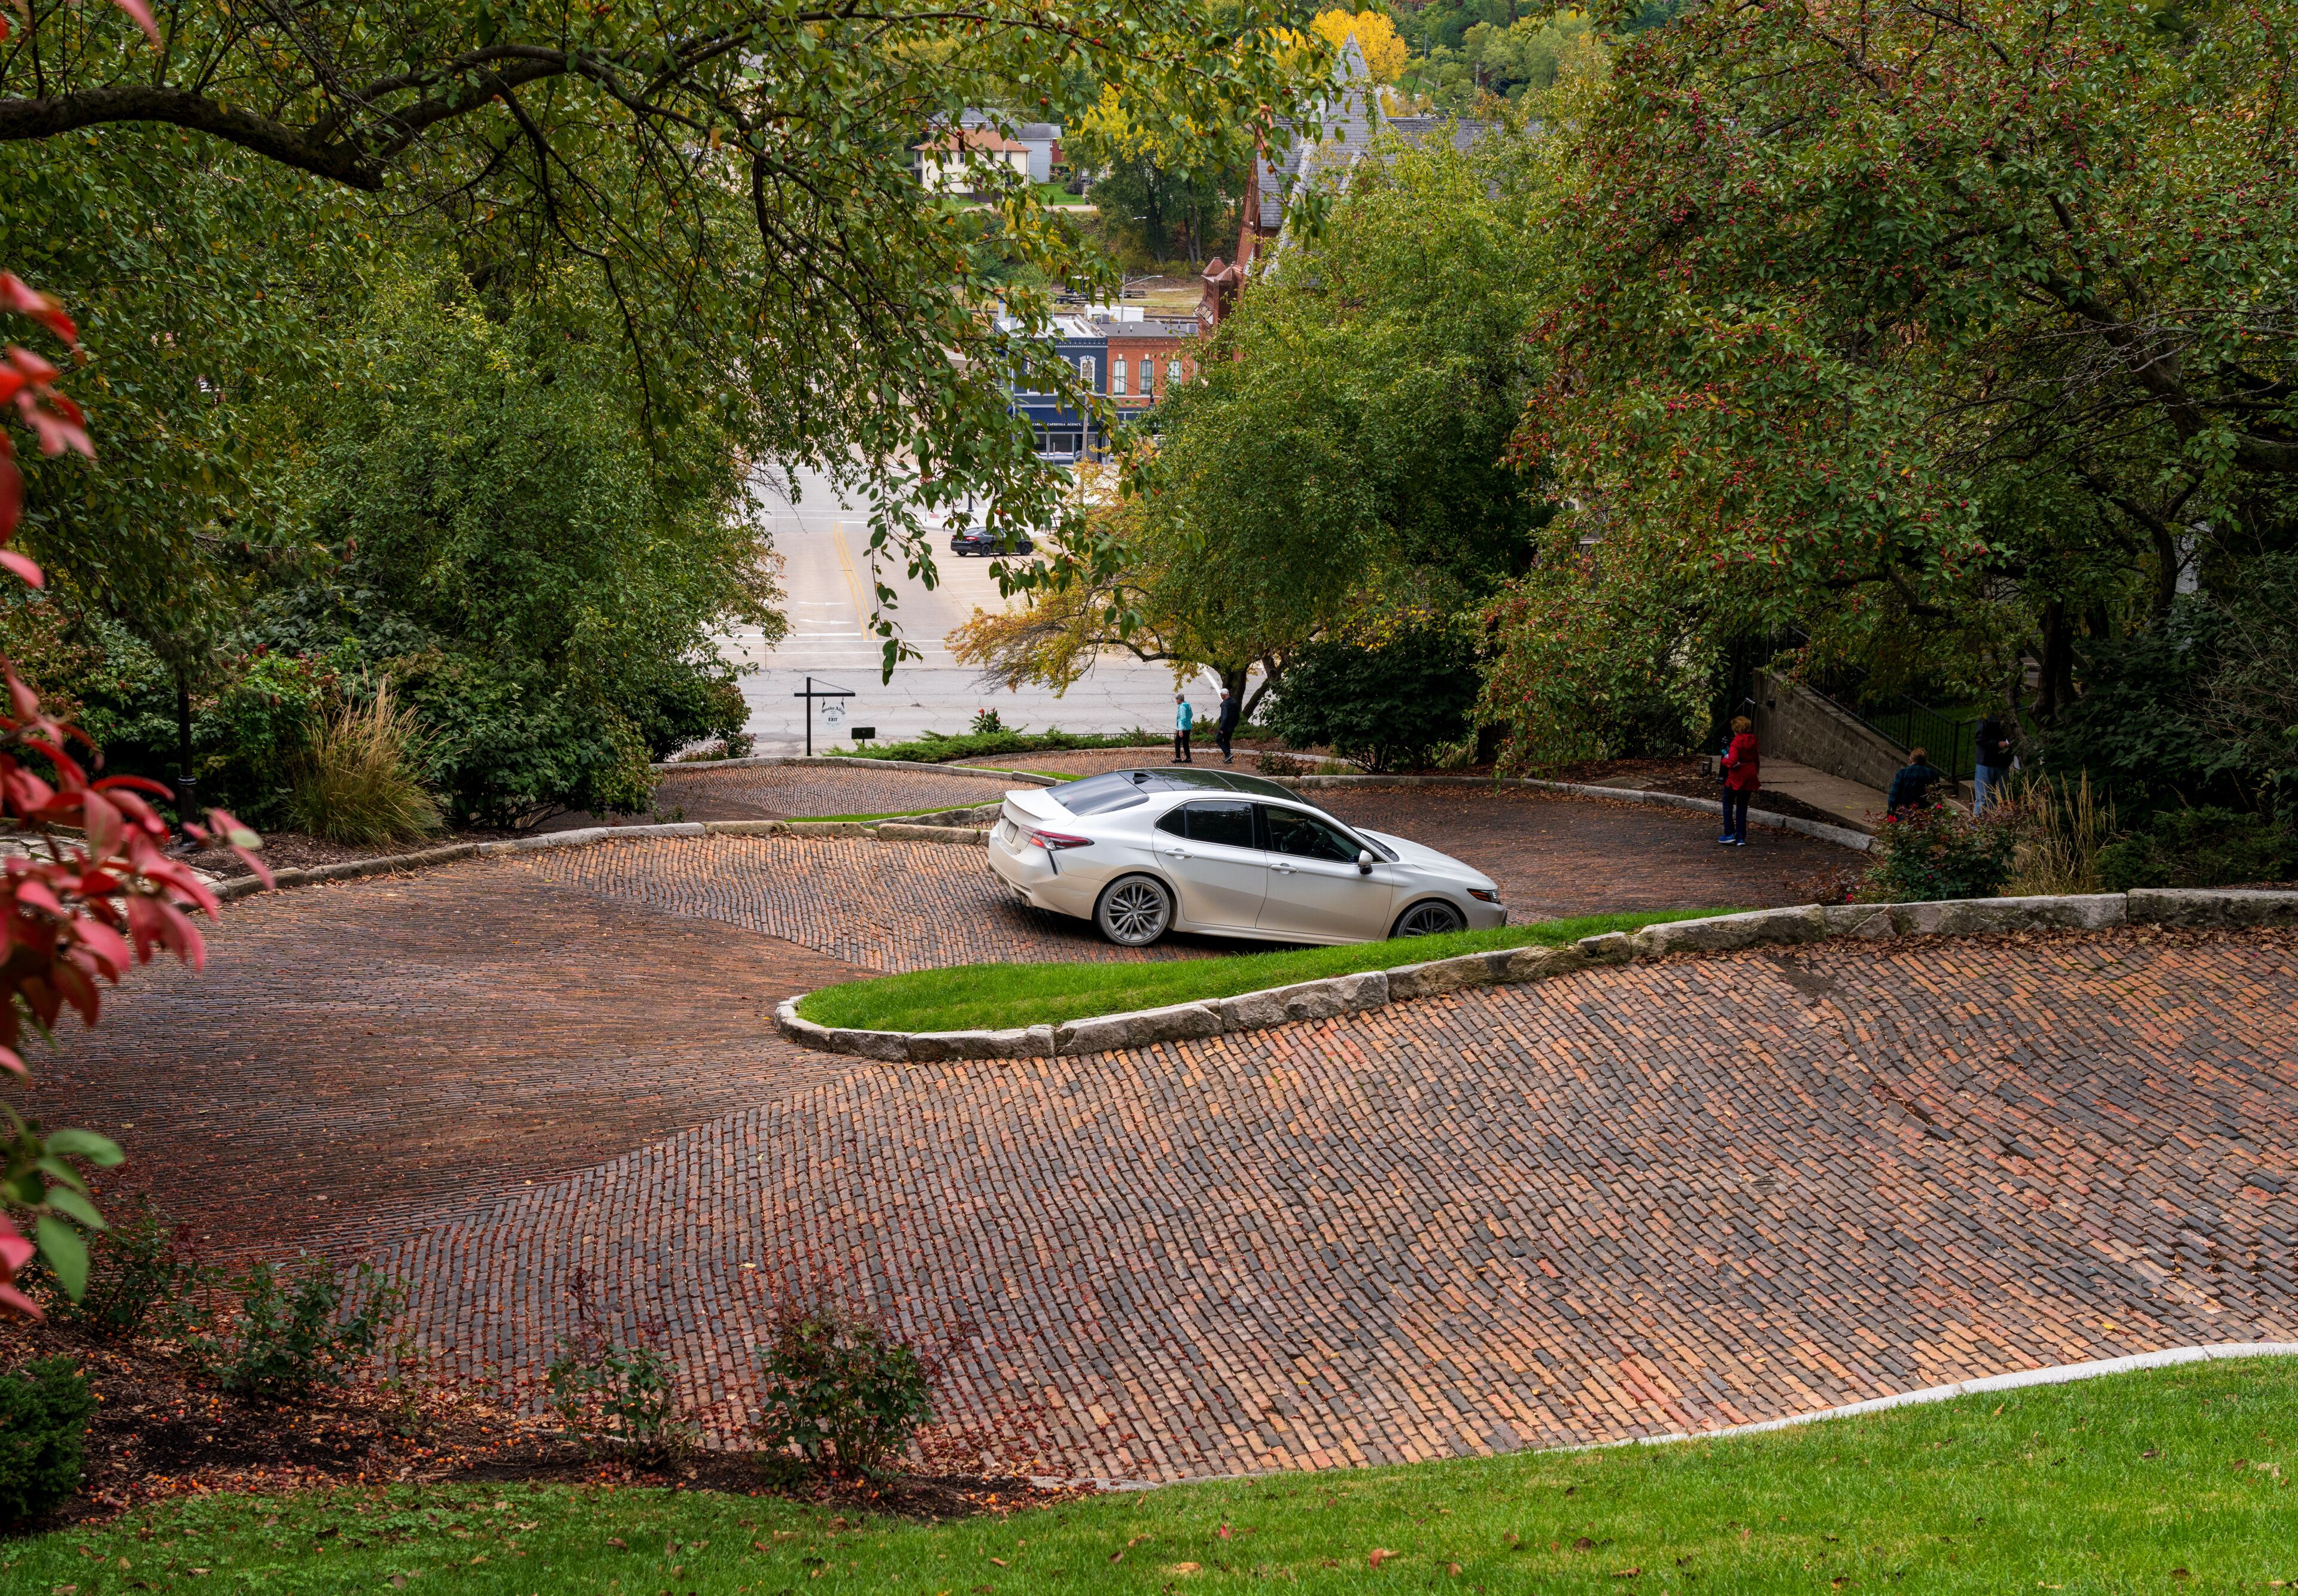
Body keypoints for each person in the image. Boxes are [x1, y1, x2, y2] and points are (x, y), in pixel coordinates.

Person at [1718, 715, 1759, 846]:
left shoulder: (1736, 742)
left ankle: (1730, 833)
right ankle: (1741, 836)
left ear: (1736, 729)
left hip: (1736, 777)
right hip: (1749, 776)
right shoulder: (1753, 740)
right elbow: (1756, 759)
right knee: (1742, 806)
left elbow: (1733, 760)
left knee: (1728, 802)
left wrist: (1724, 760)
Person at [1887, 746, 1949, 817]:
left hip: (1905, 814)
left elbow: (1894, 796)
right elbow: (1937, 797)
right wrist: (1937, 813)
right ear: (1925, 761)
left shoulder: (1903, 774)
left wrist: (1891, 813)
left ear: (1911, 759)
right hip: (1925, 815)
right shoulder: (1933, 774)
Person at [1972, 713, 2015, 814]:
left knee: (2000, 799)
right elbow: (1979, 738)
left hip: (2002, 762)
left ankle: (1995, 825)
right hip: (1986, 762)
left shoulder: (2009, 718)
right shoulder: (1986, 717)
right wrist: (1997, 743)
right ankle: (1977, 827)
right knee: (1983, 799)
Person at [1215, 686, 1241, 764]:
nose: (1220, 696)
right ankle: (1228, 758)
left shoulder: (1225, 705)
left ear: (1224, 695)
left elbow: (1224, 717)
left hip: (1225, 727)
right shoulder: (1234, 702)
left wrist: (1221, 728)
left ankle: (1228, 754)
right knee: (1226, 741)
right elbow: (1237, 715)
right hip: (1232, 726)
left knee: (1218, 739)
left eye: (1221, 694)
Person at [1173, 691, 1194, 764]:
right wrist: (1188, 721)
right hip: (1188, 727)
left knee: (1177, 742)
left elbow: (1183, 718)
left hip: (1183, 728)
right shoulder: (1188, 705)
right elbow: (1191, 715)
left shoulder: (1182, 707)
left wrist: (1181, 730)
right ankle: (1188, 758)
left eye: (1177, 699)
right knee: (1185, 743)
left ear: (1179, 699)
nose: (1176, 701)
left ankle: (1178, 758)